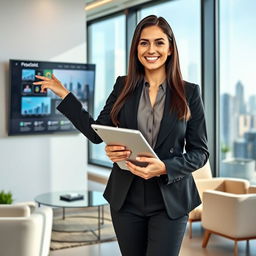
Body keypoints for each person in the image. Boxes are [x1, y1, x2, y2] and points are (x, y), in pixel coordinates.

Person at [33, 15, 209, 256]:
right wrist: (65, 95)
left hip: (170, 201)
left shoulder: (189, 92)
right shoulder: (123, 86)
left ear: (170, 48)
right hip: (126, 200)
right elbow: (97, 132)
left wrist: (164, 167)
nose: (151, 50)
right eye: (144, 43)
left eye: (159, 43)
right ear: (136, 47)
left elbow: (200, 153)